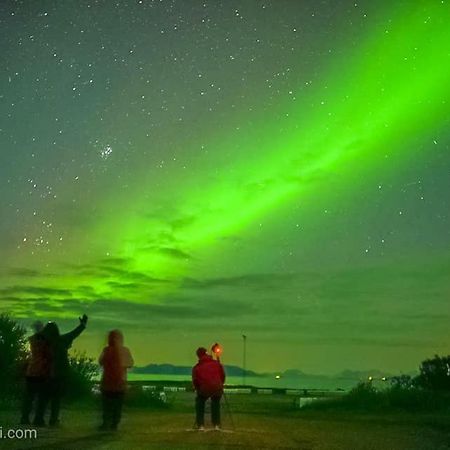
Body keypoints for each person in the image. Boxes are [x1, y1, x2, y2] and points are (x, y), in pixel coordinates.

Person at [34, 314, 88, 426]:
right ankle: (53, 420)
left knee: (43, 398)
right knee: (56, 399)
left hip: (44, 374)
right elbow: (74, 334)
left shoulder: (42, 344)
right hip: (59, 375)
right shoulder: (62, 340)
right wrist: (82, 324)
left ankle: (38, 419)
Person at [98, 329, 134, 431]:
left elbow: (100, 362)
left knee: (107, 405)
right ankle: (114, 424)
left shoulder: (106, 350)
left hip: (107, 382)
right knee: (117, 406)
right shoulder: (125, 350)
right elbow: (130, 363)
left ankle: (106, 423)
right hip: (120, 383)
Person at [20, 321, 51, 425]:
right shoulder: (46, 341)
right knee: (42, 397)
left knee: (29, 397)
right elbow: (48, 355)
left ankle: (24, 418)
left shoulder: (32, 339)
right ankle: (38, 419)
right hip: (41, 372)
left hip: (31, 370)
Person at [192, 347, 225, 430]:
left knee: (200, 402)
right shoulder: (217, 364)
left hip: (204, 389)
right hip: (217, 387)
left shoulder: (197, 367)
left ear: (198, 356)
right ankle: (216, 425)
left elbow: (195, 381)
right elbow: (222, 375)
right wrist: (221, 384)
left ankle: (200, 425)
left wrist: (198, 389)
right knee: (215, 403)